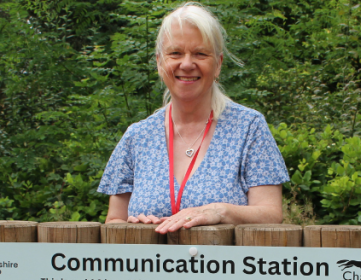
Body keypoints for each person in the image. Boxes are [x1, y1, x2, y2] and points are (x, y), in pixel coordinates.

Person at [98, 2, 288, 233]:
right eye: (175, 53)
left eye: (200, 53)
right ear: (159, 62)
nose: (187, 64)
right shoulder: (137, 136)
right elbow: (114, 220)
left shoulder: (249, 128)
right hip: (150, 268)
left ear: (218, 64)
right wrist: (132, 228)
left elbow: (271, 213)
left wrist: (219, 212)